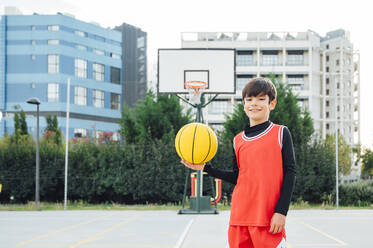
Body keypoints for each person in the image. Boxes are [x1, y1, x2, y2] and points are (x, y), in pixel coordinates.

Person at [181, 77, 296, 248]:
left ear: (272, 104)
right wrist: (205, 168)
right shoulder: (237, 140)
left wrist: (281, 211)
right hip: (239, 217)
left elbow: (290, 172)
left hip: (267, 218)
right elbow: (238, 177)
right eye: (249, 99)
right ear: (243, 105)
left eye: (261, 99)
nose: (254, 104)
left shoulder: (280, 133)